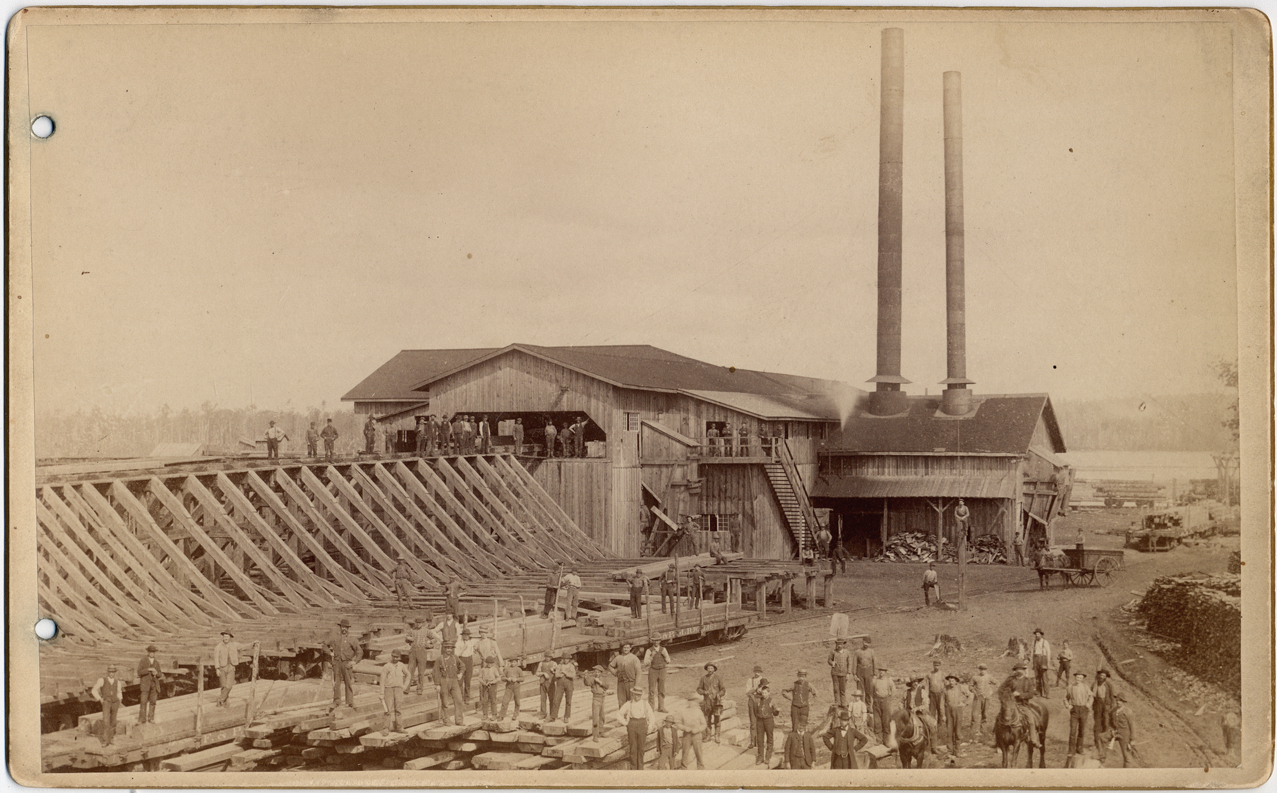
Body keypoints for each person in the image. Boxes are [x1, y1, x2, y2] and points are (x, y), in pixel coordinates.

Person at [997, 662, 1041, 748]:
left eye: (1021, 669)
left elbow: (1031, 694)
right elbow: (1000, 689)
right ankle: (997, 740)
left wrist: (1020, 695)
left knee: (1031, 720)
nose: (1019, 671)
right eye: (1018, 669)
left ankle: (1033, 739)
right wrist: (1008, 695)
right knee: (999, 719)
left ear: (1024, 671)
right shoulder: (1010, 680)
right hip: (1010, 704)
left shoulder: (1028, 681)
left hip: (1022, 704)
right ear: (1015, 670)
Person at [617, 688, 655, 769]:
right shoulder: (628, 703)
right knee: (633, 748)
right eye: (635, 694)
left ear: (641, 695)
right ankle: (633, 768)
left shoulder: (645, 703)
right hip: (632, 725)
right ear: (633, 694)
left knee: (641, 748)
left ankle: (640, 767)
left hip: (642, 724)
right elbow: (619, 714)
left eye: (639, 695)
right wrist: (626, 723)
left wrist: (650, 726)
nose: (637, 696)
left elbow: (651, 716)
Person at [329, 618, 362, 709]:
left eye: (346, 627)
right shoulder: (335, 638)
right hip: (337, 663)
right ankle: (336, 701)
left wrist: (355, 661)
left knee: (348, 682)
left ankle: (350, 701)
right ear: (340, 627)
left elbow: (359, 651)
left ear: (348, 628)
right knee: (337, 683)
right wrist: (330, 653)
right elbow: (324, 645)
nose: (344, 629)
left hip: (347, 664)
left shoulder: (352, 639)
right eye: (342, 627)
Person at [668, 695, 707, 769]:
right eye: (690, 702)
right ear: (688, 702)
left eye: (694, 702)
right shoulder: (683, 711)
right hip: (687, 735)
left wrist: (698, 729)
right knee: (685, 753)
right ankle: (684, 768)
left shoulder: (699, 712)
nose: (693, 704)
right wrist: (685, 728)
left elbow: (704, 724)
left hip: (697, 735)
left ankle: (701, 768)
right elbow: (678, 723)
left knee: (698, 753)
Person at [90, 665, 124, 745]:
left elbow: (119, 692)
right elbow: (94, 690)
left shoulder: (117, 682)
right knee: (106, 721)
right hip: (106, 702)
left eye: (113, 672)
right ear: (108, 672)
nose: (111, 674)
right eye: (110, 672)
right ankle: (105, 740)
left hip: (115, 702)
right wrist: (99, 698)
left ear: (115, 673)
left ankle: (111, 738)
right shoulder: (102, 680)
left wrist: (120, 699)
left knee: (113, 721)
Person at [750, 678, 779, 765]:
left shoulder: (772, 701)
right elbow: (755, 710)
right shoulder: (758, 700)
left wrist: (777, 711)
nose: (764, 695)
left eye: (765, 693)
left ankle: (768, 757)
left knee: (769, 739)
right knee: (760, 739)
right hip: (760, 721)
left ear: (769, 693)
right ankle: (760, 757)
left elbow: (775, 713)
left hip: (769, 721)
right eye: (763, 693)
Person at [1065, 671, 1094, 756]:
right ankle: (1071, 750)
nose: (1079, 679)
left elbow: (1091, 697)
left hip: (1083, 710)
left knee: (1081, 730)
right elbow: (1065, 698)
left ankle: (1079, 748)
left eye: (1080, 678)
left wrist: (1088, 705)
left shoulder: (1085, 687)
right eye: (1077, 677)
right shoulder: (1070, 687)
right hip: (1074, 710)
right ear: (1075, 677)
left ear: (1083, 679)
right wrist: (1068, 705)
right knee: (1073, 731)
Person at [381, 650, 409, 732]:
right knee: (387, 710)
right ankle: (386, 728)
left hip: (399, 690)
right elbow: (382, 680)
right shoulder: (387, 666)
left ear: (399, 657)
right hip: (388, 689)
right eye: (393, 656)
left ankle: (399, 727)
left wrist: (405, 686)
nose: (395, 658)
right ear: (391, 656)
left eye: (397, 657)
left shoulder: (401, 665)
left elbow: (408, 675)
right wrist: (381, 693)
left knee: (398, 710)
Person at [697, 661, 726, 742]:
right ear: (707, 669)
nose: (710, 670)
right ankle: (708, 736)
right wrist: (704, 692)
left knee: (717, 719)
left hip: (716, 702)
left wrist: (719, 694)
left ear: (714, 669)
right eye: (708, 668)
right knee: (707, 719)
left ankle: (717, 736)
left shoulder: (718, 678)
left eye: (711, 668)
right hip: (707, 702)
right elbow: (698, 689)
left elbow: (723, 690)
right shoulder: (703, 678)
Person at [436, 649, 465, 726]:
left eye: (450, 648)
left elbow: (462, 666)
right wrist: (437, 684)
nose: (449, 649)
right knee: (445, 702)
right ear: (444, 648)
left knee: (459, 700)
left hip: (454, 680)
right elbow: (436, 672)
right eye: (447, 648)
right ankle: (446, 720)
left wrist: (461, 673)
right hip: (444, 680)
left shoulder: (455, 657)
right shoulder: (440, 659)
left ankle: (459, 720)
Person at [1093, 669, 1117, 759]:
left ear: (1106, 677)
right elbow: (1092, 695)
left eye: (1104, 676)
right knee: (1097, 724)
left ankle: (1105, 743)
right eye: (1101, 675)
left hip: (1107, 706)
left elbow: (1113, 697)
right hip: (1098, 706)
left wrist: (1112, 707)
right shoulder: (1095, 684)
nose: (1102, 677)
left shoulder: (1109, 685)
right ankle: (1096, 743)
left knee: (1106, 724)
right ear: (1098, 676)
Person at [610, 643, 642, 709]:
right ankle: (622, 714)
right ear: (622, 648)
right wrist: (615, 673)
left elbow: (639, 672)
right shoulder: (618, 658)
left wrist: (636, 684)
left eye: (627, 647)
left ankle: (632, 714)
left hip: (631, 682)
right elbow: (610, 666)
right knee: (621, 701)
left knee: (632, 701)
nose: (626, 649)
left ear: (630, 648)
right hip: (621, 683)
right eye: (624, 647)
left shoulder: (634, 658)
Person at [1110, 693, 1139, 767]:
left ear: (1123, 702)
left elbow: (1132, 726)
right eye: (1117, 700)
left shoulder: (1128, 711)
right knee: (1101, 738)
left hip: (1125, 735)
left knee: (1127, 757)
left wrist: (1132, 739)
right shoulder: (1114, 710)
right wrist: (1112, 729)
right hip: (1116, 732)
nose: (1117, 702)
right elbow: (1110, 721)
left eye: (1120, 700)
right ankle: (1100, 757)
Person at [137, 644, 163, 725]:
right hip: (145, 685)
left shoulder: (156, 662)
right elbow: (139, 672)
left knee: (153, 701)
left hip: (154, 685)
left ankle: (151, 718)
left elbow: (160, 674)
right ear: (148, 652)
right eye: (150, 652)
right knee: (143, 701)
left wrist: (156, 673)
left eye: (153, 652)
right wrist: (148, 669)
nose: (152, 653)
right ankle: (142, 719)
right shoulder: (143, 661)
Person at [584, 664, 611, 740]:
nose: (596, 673)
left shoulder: (603, 679)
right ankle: (595, 735)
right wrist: (585, 676)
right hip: (596, 698)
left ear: (601, 672)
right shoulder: (593, 679)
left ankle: (601, 731)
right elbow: (587, 683)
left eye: (598, 672)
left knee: (602, 716)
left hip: (602, 698)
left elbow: (607, 686)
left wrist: (600, 682)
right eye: (595, 672)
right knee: (595, 717)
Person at [643, 639, 670, 711]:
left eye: (657, 640)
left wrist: (665, 656)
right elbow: (645, 663)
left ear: (660, 641)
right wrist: (651, 656)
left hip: (662, 670)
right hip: (653, 670)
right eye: (654, 640)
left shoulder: (663, 649)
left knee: (661, 689)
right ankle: (651, 708)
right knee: (651, 690)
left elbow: (668, 661)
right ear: (652, 641)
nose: (656, 642)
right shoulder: (649, 650)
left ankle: (661, 707)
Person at [970, 662, 997, 737]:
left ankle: (983, 730)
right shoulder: (975, 677)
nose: (982, 671)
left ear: (986, 670)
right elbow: (970, 686)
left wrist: (992, 691)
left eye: (984, 669)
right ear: (979, 670)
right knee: (975, 714)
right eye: (981, 669)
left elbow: (997, 683)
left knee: (985, 714)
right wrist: (974, 691)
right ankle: (973, 731)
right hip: (977, 698)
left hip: (986, 698)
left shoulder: (989, 677)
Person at [214, 629, 239, 707]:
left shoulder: (234, 644)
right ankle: (224, 702)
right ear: (223, 637)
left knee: (229, 686)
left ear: (230, 637)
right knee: (223, 685)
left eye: (227, 636)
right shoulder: (218, 647)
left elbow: (244, 647)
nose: (226, 638)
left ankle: (220, 699)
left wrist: (253, 644)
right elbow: (216, 658)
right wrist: (217, 669)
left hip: (231, 666)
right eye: (225, 636)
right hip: (222, 667)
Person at [870, 667, 895, 742]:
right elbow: (871, 692)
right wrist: (873, 700)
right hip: (876, 701)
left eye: (883, 671)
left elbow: (893, 690)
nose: (881, 672)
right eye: (880, 670)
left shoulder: (889, 681)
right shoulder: (875, 681)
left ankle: (886, 740)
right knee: (877, 721)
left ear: (885, 672)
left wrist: (889, 699)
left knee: (886, 721)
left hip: (885, 701)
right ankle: (879, 739)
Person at [942, 674, 965, 755]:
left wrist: (964, 703)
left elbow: (970, 695)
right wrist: (943, 715)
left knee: (958, 731)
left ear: (956, 682)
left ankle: (957, 750)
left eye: (953, 681)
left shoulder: (960, 687)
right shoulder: (945, 689)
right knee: (949, 731)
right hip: (948, 711)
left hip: (958, 711)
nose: (951, 682)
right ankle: (950, 750)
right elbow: (942, 702)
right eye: (950, 681)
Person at [404, 631, 431, 695]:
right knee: (410, 670)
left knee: (421, 671)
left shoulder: (426, 631)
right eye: (417, 624)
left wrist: (429, 643)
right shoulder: (412, 631)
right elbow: (406, 639)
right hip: (413, 651)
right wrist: (409, 639)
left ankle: (419, 688)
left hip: (422, 651)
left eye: (420, 624)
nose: (418, 625)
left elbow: (435, 638)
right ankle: (406, 688)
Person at [744, 664, 765, 747]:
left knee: (761, 722)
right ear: (754, 672)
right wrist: (756, 688)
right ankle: (753, 741)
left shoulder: (764, 680)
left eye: (759, 672)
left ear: (761, 672)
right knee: (753, 722)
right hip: (752, 701)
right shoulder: (750, 680)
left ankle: (760, 741)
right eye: (756, 671)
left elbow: (766, 692)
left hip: (761, 701)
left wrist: (760, 691)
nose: (757, 673)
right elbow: (747, 692)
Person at [829, 639, 852, 708]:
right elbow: (829, 660)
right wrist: (832, 663)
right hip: (835, 673)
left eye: (841, 644)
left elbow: (849, 663)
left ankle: (843, 703)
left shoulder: (847, 652)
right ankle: (837, 702)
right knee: (836, 688)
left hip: (844, 673)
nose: (839, 646)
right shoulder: (833, 652)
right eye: (838, 644)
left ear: (843, 645)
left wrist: (848, 673)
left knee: (843, 689)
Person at [554, 653, 577, 722]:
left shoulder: (571, 666)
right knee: (556, 700)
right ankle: (553, 716)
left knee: (568, 701)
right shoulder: (559, 666)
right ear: (562, 659)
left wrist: (565, 673)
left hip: (569, 685)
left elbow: (573, 675)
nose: (566, 660)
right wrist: (560, 675)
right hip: (560, 685)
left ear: (569, 659)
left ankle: (566, 716)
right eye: (564, 659)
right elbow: (556, 675)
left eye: (567, 659)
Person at [457, 626, 477, 704]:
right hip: (461, 659)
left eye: (468, 635)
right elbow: (457, 654)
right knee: (460, 680)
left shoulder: (471, 642)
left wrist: (475, 649)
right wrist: (463, 648)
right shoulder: (458, 643)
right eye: (465, 635)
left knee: (468, 680)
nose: (466, 636)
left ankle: (467, 697)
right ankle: (460, 697)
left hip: (469, 660)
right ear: (462, 635)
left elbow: (479, 641)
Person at [854, 637, 877, 704]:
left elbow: (874, 663)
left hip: (869, 671)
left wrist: (875, 674)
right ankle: (860, 705)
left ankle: (868, 706)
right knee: (860, 690)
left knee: (868, 689)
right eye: (865, 642)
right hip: (860, 671)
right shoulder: (857, 652)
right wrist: (854, 674)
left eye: (868, 643)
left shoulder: (871, 652)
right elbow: (855, 663)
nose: (866, 644)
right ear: (863, 642)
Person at [1031, 629, 1052, 696]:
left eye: (1038, 634)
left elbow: (1048, 652)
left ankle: (1047, 693)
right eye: (1036, 634)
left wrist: (1048, 663)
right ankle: (1038, 692)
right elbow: (1032, 652)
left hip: (1042, 659)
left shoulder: (1045, 642)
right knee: (1037, 677)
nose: (1037, 635)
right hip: (1036, 659)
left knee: (1044, 677)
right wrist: (1032, 662)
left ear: (1041, 635)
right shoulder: (1034, 642)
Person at [927, 660, 946, 728]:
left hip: (940, 694)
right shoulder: (929, 674)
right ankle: (932, 727)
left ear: (940, 666)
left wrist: (944, 694)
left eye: (938, 665)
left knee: (940, 710)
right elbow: (926, 685)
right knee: (932, 711)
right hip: (932, 694)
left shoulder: (943, 674)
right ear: (933, 666)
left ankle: (940, 726)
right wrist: (927, 695)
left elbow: (945, 684)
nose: (936, 667)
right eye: (935, 665)